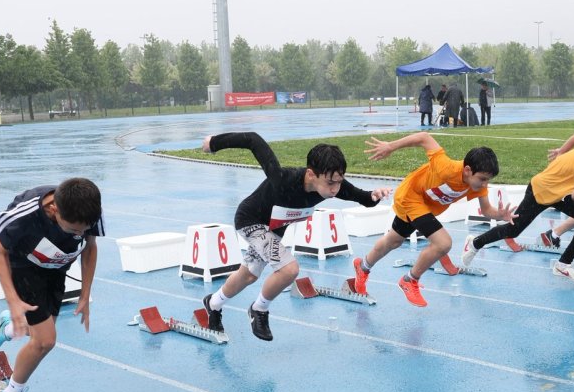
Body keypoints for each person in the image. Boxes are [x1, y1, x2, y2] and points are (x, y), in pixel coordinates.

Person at [197, 132, 392, 341]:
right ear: (311, 175)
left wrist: (374, 196)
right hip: (250, 220)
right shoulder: (283, 180)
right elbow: (253, 140)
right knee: (289, 269)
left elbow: (362, 197)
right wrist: (214, 143)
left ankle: (213, 304)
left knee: (249, 275)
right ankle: (259, 309)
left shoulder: (334, 185)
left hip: (273, 229)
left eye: (339, 181)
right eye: (330, 183)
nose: (335, 189)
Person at [0, 178, 104, 392]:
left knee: (34, 330)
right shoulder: (23, 217)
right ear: (54, 211)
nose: (79, 235)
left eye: (82, 231)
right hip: (23, 267)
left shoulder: (89, 210)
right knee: (45, 341)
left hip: (55, 267)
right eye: (73, 230)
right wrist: (13, 301)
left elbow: (90, 248)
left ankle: (8, 328)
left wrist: (85, 294)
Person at [352, 132, 514, 306]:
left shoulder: (478, 186)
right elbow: (424, 137)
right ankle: (409, 280)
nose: (484, 184)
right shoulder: (446, 167)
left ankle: (363, 267)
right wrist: (390, 146)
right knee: (443, 243)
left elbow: (487, 209)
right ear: (467, 170)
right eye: (482, 179)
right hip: (410, 196)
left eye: (487, 180)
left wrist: (500, 215)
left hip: (422, 207)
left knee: (393, 241)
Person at [461, 129, 574, 282]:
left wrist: (561, 151)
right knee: (514, 230)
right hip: (542, 190)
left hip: (561, 193)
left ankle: (563, 265)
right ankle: (475, 243)